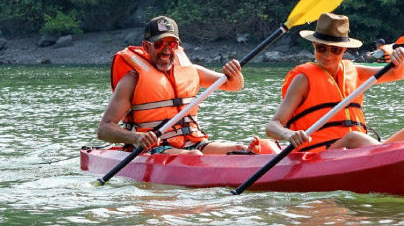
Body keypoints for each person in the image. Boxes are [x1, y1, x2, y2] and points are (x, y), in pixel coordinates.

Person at [98, 15, 277, 155]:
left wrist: (235, 73)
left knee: (239, 148)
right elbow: (104, 129)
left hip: (193, 143)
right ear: (146, 47)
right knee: (193, 158)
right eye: (160, 44)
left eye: (172, 44)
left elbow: (234, 86)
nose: (167, 50)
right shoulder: (132, 80)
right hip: (154, 148)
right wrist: (136, 137)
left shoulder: (192, 71)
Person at [265, 13, 404, 152]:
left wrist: (400, 58)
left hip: (360, 150)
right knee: (354, 137)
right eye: (321, 48)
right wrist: (289, 134)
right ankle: (394, 161)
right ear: (314, 45)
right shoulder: (303, 79)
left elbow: (397, 74)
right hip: (318, 154)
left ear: (344, 49)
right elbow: (273, 126)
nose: (328, 55)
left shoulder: (354, 71)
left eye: (335, 49)